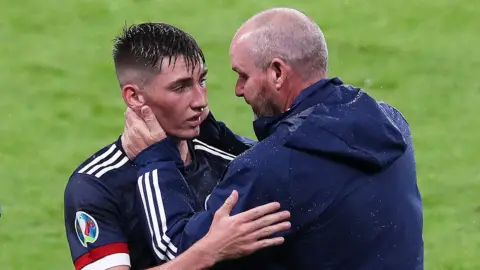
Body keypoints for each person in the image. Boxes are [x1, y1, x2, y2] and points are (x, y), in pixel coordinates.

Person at [126, 7, 424, 270]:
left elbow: (177, 249)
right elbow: (305, 157)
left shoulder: (271, 170)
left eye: (243, 75)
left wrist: (156, 157)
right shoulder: (392, 122)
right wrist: (213, 132)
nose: (238, 90)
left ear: (278, 73)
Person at [63, 22, 290, 270]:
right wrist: (210, 251)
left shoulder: (230, 157)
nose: (200, 101)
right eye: (180, 87)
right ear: (135, 97)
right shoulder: (96, 184)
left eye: (201, 81)